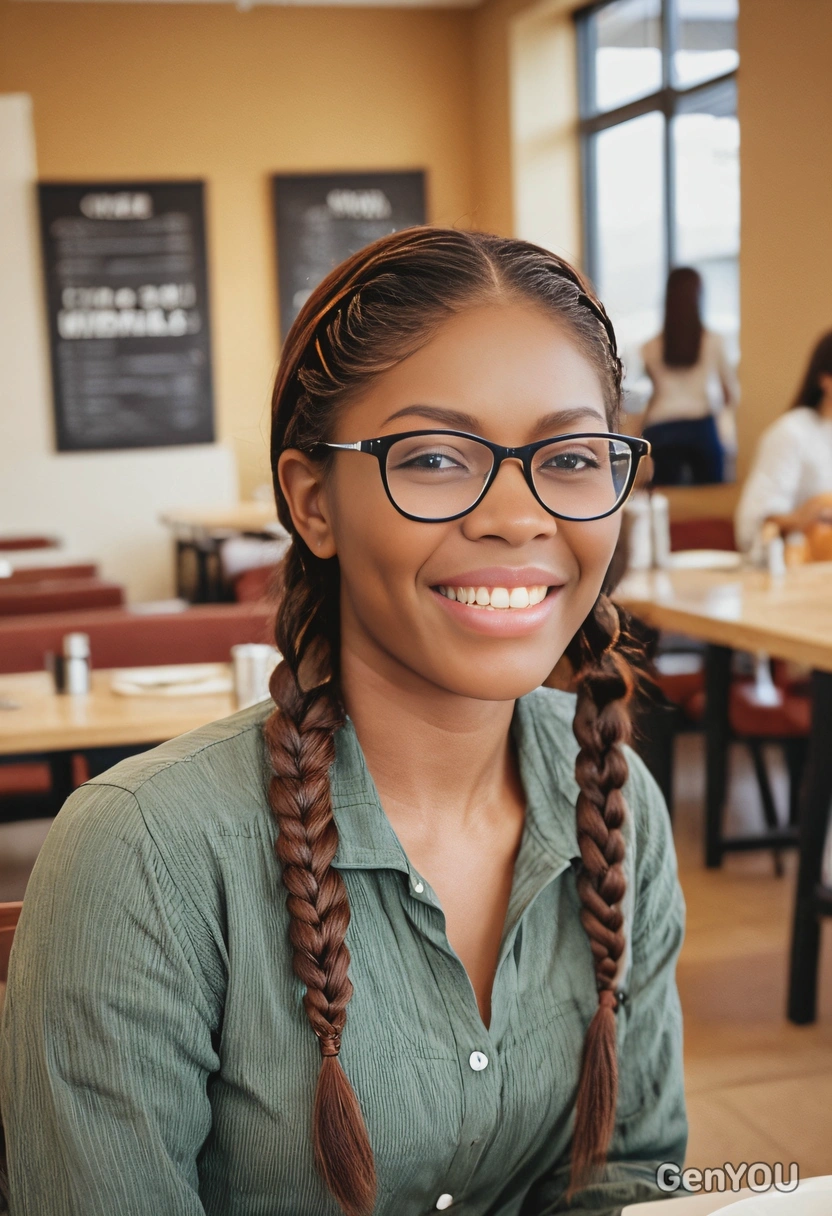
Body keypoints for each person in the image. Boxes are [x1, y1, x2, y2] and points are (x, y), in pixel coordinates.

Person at [0, 229, 686, 1216]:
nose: (516, 514)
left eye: (571, 455)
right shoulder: (144, 856)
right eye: (438, 457)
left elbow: (631, 1176)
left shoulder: (617, 804)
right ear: (312, 502)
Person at [735, 330, 832, 557]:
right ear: (825, 379)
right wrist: (804, 516)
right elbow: (752, 527)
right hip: (806, 572)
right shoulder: (792, 432)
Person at [638, 267, 739, 485]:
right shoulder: (713, 341)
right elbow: (730, 394)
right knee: (711, 497)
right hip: (700, 427)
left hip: (660, 427)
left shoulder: (648, 347)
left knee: (665, 497)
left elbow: (655, 394)